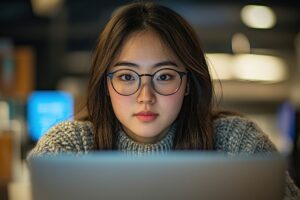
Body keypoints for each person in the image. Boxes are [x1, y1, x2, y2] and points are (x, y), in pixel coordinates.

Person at [28, 2, 300, 199]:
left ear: (187, 84)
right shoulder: (70, 146)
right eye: (126, 77)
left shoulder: (238, 142)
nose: (145, 96)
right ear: (105, 84)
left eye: (165, 76)